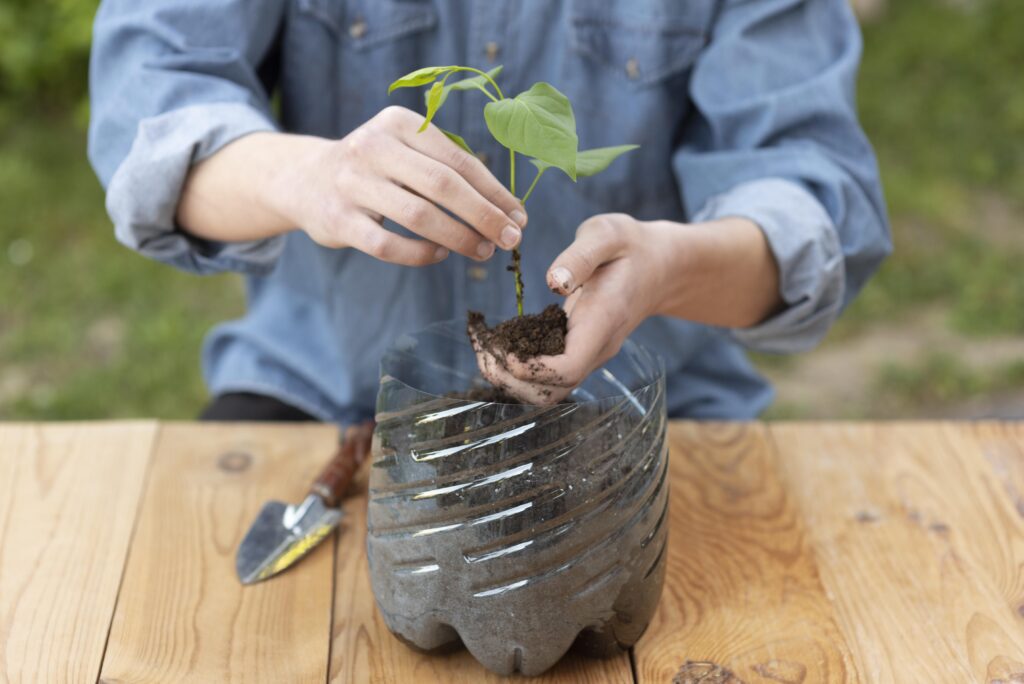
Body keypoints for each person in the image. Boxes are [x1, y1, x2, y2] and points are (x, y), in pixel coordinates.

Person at [88, 0, 890, 423]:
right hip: (328, 396)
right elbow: (146, 111)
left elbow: (812, 200)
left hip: (641, 406)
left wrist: (667, 270)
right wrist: (304, 175)